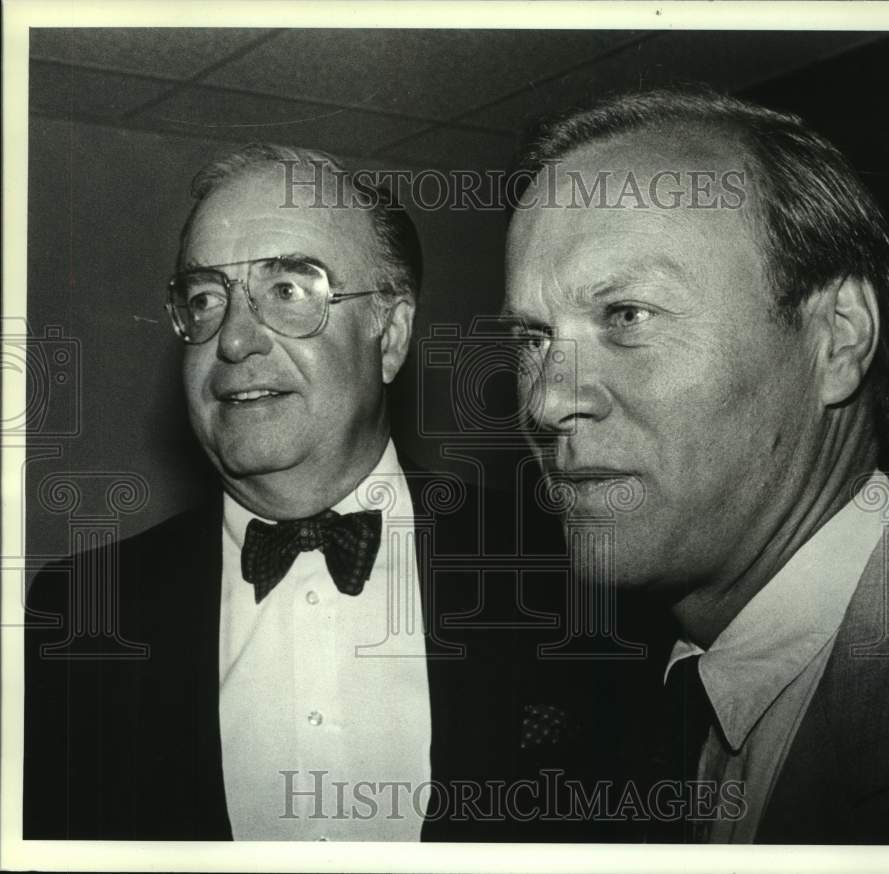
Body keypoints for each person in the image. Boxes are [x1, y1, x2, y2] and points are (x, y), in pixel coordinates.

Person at [503, 86, 889, 844]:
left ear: (839, 339)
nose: (549, 400)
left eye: (626, 316)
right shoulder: (669, 702)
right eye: (531, 337)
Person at [23, 143, 531, 841]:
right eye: (205, 298)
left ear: (391, 334)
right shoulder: (79, 613)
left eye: (289, 291)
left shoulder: (562, 569)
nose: (232, 341)